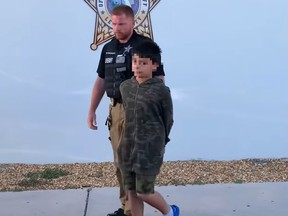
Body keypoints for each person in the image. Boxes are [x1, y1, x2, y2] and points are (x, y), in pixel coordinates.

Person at [87, 5, 165, 216]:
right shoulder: (108, 47)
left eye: (121, 23)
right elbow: (101, 81)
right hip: (115, 111)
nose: (116, 27)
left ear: (132, 22)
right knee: (120, 165)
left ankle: (149, 210)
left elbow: (159, 80)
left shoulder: (144, 46)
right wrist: (91, 110)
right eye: (113, 23)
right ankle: (126, 208)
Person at [118, 40, 179, 216]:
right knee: (131, 191)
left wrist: (160, 142)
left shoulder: (161, 91)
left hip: (149, 149)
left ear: (154, 66)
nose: (138, 66)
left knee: (143, 191)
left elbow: (168, 119)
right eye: (135, 62)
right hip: (127, 147)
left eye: (143, 63)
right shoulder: (125, 87)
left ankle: (170, 212)